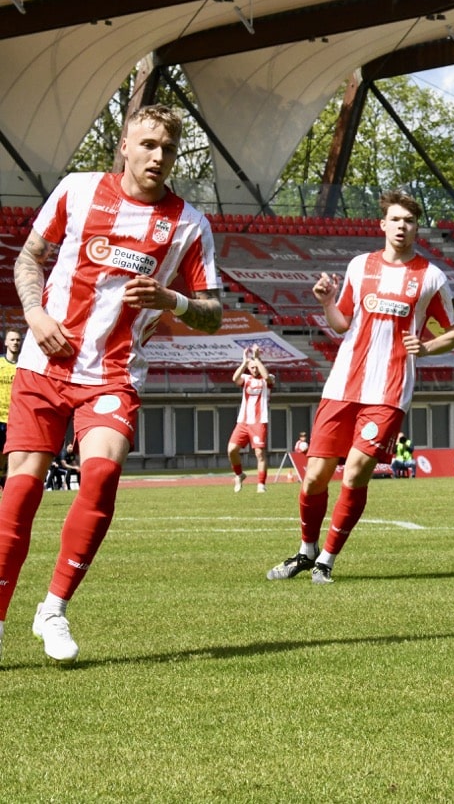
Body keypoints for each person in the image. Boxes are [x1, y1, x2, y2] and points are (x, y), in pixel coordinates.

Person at [0, 104, 222, 662]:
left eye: (168, 149)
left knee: (100, 477)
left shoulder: (190, 224)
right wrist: (35, 313)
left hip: (114, 373)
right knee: (22, 487)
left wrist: (171, 300)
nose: (157, 157)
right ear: (124, 145)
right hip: (44, 363)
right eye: (147, 144)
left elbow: (213, 313)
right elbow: (30, 259)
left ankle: (52, 608)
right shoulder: (76, 190)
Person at [265, 190, 454, 585]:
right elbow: (341, 324)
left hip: (389, 391)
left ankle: (326, 560)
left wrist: (427, 346)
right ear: (383, 225)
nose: (402, 226)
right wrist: (326, 302)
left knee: (355, 474)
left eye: (409, 220)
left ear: (415, 227)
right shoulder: (360, 266)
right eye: (395, 219)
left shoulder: (431, 276)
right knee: (315, 476)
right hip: (342, 384)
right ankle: (305, 551)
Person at [228, 344, 275, 493]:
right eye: (252, 367)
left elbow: (267, 377)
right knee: (231, 450)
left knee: (259, 453)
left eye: (256, 367)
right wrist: (244, 362)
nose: (254, 370)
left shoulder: (267, 378)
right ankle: (239, 474)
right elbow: (235, 378)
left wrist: (256, 359)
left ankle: (261, 484)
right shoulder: (246, 378)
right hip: (243, 421)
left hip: (259, 421)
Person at [0, 328, 21, 489]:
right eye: (12, 340)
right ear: (6, 342)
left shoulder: (23, 365)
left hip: (16, 417)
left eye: (18, 340)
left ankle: (8, 483)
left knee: (14, 453)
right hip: (0, 417)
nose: (15, 343)